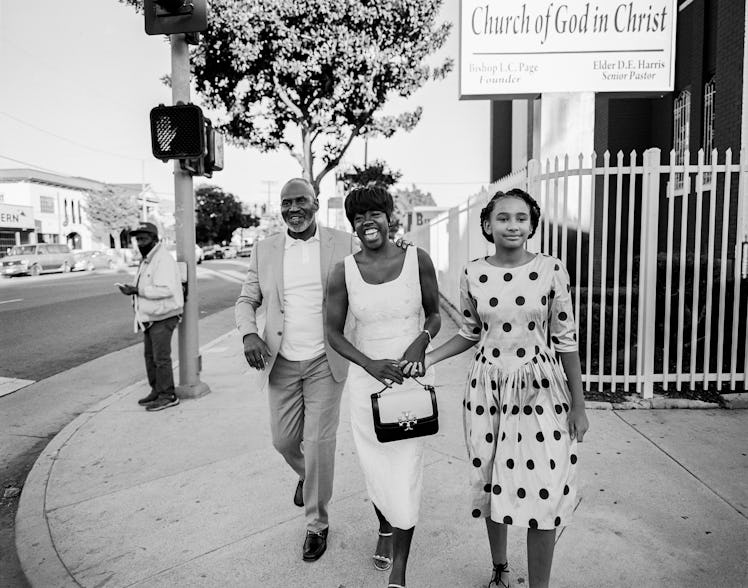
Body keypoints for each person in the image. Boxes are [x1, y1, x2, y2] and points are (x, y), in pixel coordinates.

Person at [413, 189, 589, 588]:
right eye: (504, 218)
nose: (513, 225)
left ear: (532, 224)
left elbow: (567, 340)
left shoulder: (551, 269)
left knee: (545, 488)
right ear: (488, 225)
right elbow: (470, 332)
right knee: (492, 480)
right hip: (486, 391)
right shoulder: (473, 272)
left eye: (521, 218)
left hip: (541, 389)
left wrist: (579, 405)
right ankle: (500, 569)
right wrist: (429, 359)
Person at [235, 178, 357, 562]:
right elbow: (246, 299)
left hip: (326, 358)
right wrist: (248, 335)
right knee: (284, 441)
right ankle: (308, 476)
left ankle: (316, 524)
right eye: (286, 203)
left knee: (319, 443)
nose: (293, 209)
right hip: (281, 360)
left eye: (300, 200)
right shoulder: (265, 249)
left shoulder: (344, 242)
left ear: (316, 202)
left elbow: (373, 272)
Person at [326, 186, 441, 588]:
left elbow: (435, 314)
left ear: (390, 216)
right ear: (352, 225)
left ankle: (400, 573)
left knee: (406, 468)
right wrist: (369, 364)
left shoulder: (417, 260)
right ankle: (385, 528)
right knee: (377, 469)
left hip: (411, 381)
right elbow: (333, 333)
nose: (367, 222)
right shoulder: (343, 271)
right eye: (358, 217)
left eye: (375, 213)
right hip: (367, 384)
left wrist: (420, 341)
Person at [118, 221, 184, 412]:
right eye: (137, 239)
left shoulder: (162, 259)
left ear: (155, 239)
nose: (139, 242)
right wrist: (133, 290)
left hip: (163, 315)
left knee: (161, 358)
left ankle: (168, 395)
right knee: (150, 357)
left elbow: (165, 289)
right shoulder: (148, 258)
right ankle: (157, 390)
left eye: (143, 238)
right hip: (151, 316)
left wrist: (137, 290)